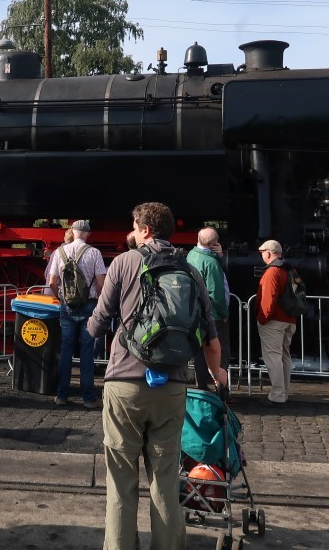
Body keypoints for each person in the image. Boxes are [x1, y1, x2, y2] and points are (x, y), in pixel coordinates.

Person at [87, 202, 226, 550]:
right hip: (172, 386)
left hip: (124, 385)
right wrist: (217, 375)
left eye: (134, 227)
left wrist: (90, 327)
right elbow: (210, 340)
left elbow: (98, 323)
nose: (131, 233)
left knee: (121, 481)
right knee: (164, 480)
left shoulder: (124, 262)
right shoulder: (190, 270)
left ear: (146, 230)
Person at [45, 219, 107, 407]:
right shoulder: (94, 253)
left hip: (67, 306)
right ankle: (88, 398)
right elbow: (101, 283)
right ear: (88, 234)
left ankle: (61, 395)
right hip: (89, 305)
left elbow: (52, 281)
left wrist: (62, 297)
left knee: (66, 350)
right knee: (87, 352)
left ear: (72, 231)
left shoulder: (59, 252)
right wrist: (100, 301)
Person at [187, 227, 231, 391]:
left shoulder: (191, 255)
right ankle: (221, 389)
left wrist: (219, 256)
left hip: (196, 313)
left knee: (199, 352)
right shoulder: (211, 263)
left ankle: (202, 387)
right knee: (220, 352)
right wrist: (224, 313)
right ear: (214, 243)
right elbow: (216, 293)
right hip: (213, 314)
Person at [255, 239, 297, 406]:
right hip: (289, 319)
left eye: (262, 253)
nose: (261, 256)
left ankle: (277, 395)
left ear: (268, 253)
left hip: (274, 321)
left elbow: (268, 299)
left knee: (273, 357)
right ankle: (284, 392)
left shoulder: (272, 272)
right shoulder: (289, 269)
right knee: (284, 356)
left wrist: (262, 319)